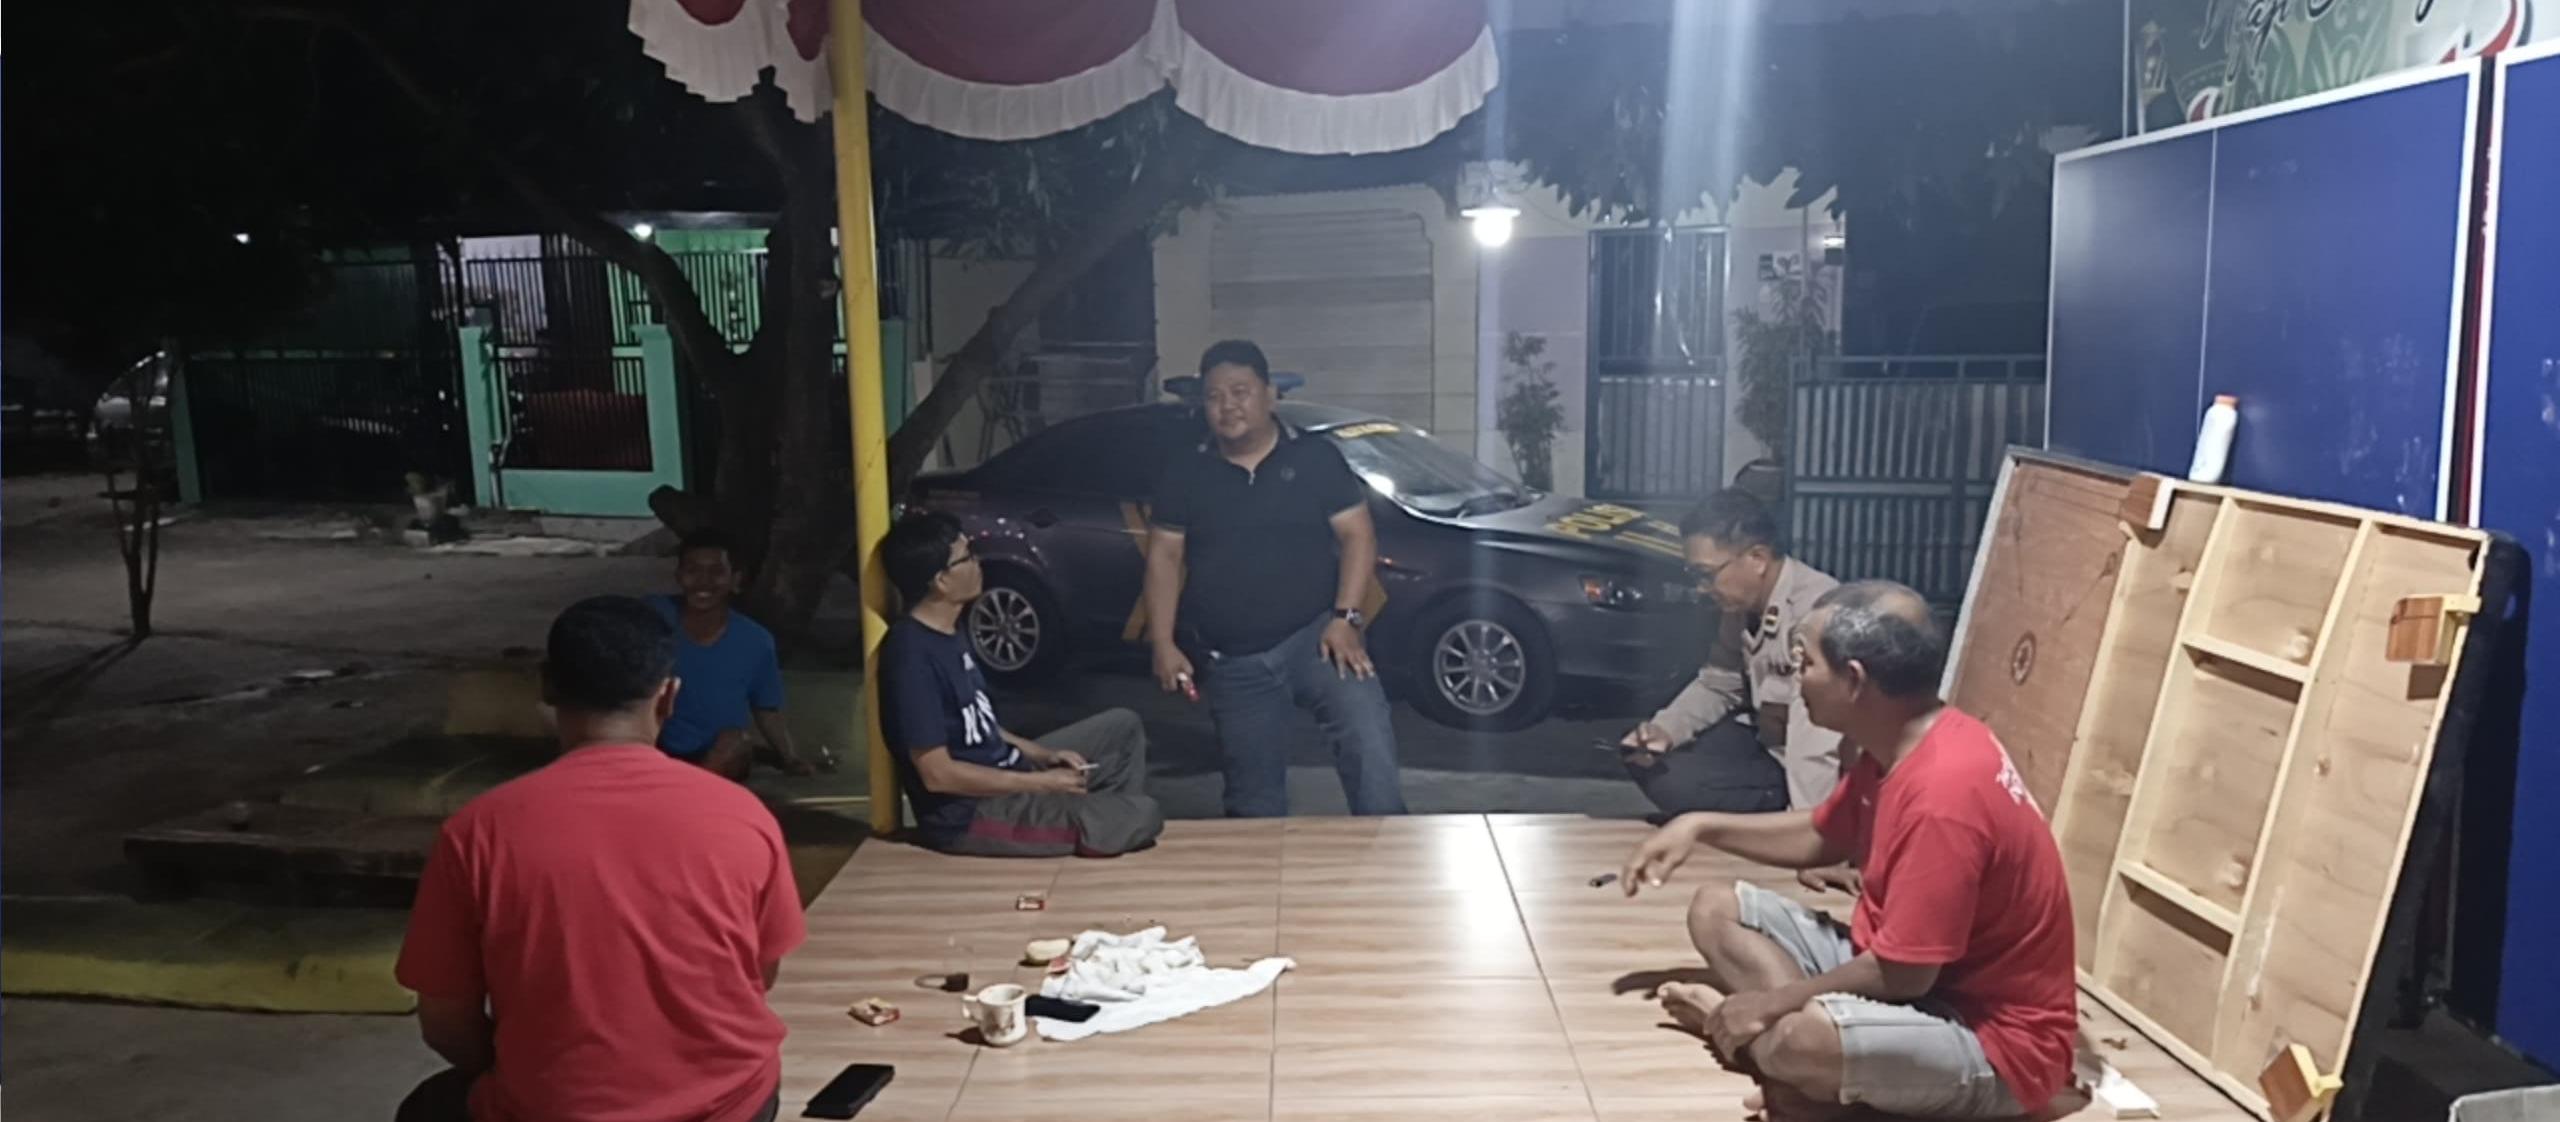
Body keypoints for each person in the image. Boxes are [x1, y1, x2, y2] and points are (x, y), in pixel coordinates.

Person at [1616, 581, 2077, 1121]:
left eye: (1805, 663)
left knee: (1805, 1038)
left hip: (1997, 1046)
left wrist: (1766, 1004)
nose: (1796, 679)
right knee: (1715, 908)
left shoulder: (1944, 795)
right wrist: (1699, 826)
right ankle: (1801, 1071)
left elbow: (1904, 976)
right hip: (1916, 985)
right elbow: (1824, 834)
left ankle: (1772, 1055)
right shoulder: (1903, 740)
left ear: (1854, 679)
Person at [395, 596, 804, 1122]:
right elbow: (760, 975)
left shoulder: (477, 832)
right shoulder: (743, 816)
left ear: (547, 688)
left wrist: (532, 1071)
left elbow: (446, 1023)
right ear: (669, 696)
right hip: (732, 1105)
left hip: (556, 1109)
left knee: (429, 1106)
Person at [1143, 339, 1407, 817]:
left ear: (1269, 395)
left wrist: (1347, 618)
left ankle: (1391, 851)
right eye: (1214, 396)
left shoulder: (1314, 458)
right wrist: (1162, 642)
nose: (1227, 406)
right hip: (1235, 660)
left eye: (1240, 392)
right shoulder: (1186, 471)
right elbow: (1164, 556)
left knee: (1370, 748)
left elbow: (1358, 535)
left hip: (1318, 640)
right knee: (1253, 804)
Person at [879, 510, 1163, 856]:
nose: (978, 562)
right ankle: (1088, 823)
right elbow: (938, 774)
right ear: (941, 581)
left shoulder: (950, 631)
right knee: (1142, 813)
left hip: (1007, 773)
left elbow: (980, 725)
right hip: (972, 814)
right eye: (967, 557)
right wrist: (1040, 784)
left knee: (1123, 728)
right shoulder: (911, 655)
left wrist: (1042, 754)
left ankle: (1087, 824)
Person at [1621, 489, 1844, 819]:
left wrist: (1807, 829)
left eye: (1706, 574)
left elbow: (1818, 745)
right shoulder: (1743, 604)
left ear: (1758, 558)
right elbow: (1719, 682)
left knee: (1683, 784)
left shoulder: (1816, 611)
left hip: (1802, 762)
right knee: (1650, 760)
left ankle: (1765, 824)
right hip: (1765, 743)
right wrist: (1665, 729)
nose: (1701, 587)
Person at [650, 530, 818, 781]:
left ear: (735, 580)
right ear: (678, 575)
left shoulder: (757, 641)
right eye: (693, 570)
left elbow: (767, 709)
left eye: (716, 572)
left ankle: (694, 786)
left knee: (734, 740)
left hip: (721, 755)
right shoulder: (651, 616)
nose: (703, 581)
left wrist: (789, 757)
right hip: (654, 748)